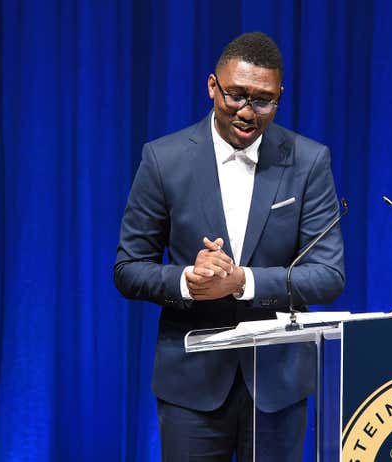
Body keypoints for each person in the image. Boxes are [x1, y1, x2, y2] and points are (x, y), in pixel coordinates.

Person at [114, 31, 345, 462]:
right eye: (235, 95)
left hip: (278, 386)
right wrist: (188, 280)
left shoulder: (310, 161)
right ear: (211, 86)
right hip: (191, 386)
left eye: (263, 100)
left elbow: (328, 275)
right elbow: (129, 267)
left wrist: (243, 282)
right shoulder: (163, 160)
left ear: (279, 96)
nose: (247, 111)